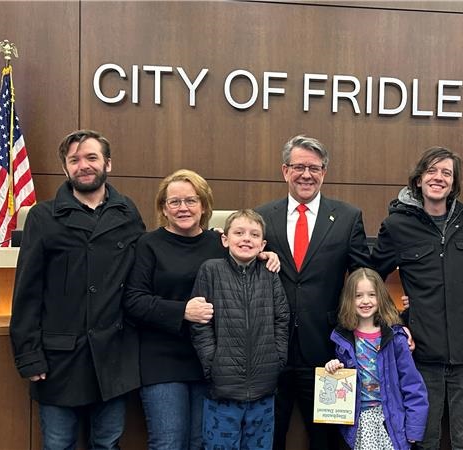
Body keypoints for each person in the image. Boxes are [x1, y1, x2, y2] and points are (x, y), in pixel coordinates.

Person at [10, 129, 145, 449]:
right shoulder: (43, 217)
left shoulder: (128, 212)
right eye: (75, 160)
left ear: (108, 164)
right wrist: (29, 355)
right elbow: (27, 291)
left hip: (113, 358)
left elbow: (147, 271)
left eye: (91, 157)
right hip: (59, 361)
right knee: (58, 445)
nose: (83, 165)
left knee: (108, 444)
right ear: (66, 168)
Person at [124, 170, 279, 450]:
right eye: (174, 202)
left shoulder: (217, 243)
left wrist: (266, 256)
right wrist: (182, 310)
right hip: (162, 360)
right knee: (169, 442)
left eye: (191, 200)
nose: (183, 208)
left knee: (201, 443)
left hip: (209, 362)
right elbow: (134, 300)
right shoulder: (148, 244)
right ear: (163, 208)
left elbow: (244, 258)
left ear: (204, 205)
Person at [255, 134, 372, 450]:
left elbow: (364, 277)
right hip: (269, 349)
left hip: (327, 351)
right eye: (299, 167)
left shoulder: (347, 217)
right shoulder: (262, 217)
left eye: (314, 168)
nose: (306, 175)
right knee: (267, 439)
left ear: (324, 172)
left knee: (327, 441)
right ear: (285, 171)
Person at [372, 146, 463, 450]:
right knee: (424, 441)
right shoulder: (397, 226)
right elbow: (369, 278)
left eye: (446, 172)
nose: (438, 178)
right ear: (419, 179)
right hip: (421, 356)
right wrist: (395, 320)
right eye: (431, 171)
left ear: (454, 183)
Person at [190, 209, 290, 450]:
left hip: (264, 387)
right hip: (222, 388)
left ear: (262, 244)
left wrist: (278, 359)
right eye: (239, 232)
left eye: (254, 234)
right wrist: (212, 362)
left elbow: (282, 317)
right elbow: (200, 322)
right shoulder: (210, 270)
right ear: (225, 239)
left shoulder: (269, 273)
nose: (246, 238)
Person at [324, 268, 429, 450]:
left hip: (390, 420)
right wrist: (332, 368)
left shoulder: (395, 338)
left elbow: (413, 385)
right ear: (350, 299)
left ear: (380, 297)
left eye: (371, 295)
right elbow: (340, 381)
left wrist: (414, 428)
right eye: (358, 296)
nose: (365, 301)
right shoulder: (343, 339)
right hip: (360, 420)